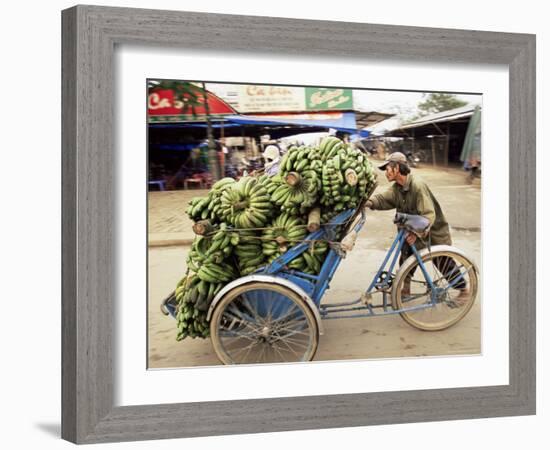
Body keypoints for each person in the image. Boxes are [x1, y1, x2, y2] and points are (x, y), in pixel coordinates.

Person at [365, 152, 469, 301]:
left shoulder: (417, 186)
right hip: (412, 232)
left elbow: (428, 215)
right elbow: (384, 199)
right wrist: (368, 202)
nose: (386, 172)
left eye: (388, 168)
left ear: (397, 168)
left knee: (443, 263)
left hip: (433, 233)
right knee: (406, 258)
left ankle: (464, 290)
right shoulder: (397, 188)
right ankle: (405, 289)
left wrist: (416, 233)